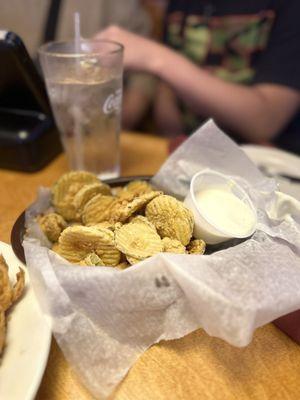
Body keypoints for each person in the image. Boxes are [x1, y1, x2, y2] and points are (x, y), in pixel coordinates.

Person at [96, 0, 300, 153]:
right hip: (193, 159)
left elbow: (265, 121)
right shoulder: (182, 5)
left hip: (273, 169)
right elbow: (169, 110)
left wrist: (155, 57)